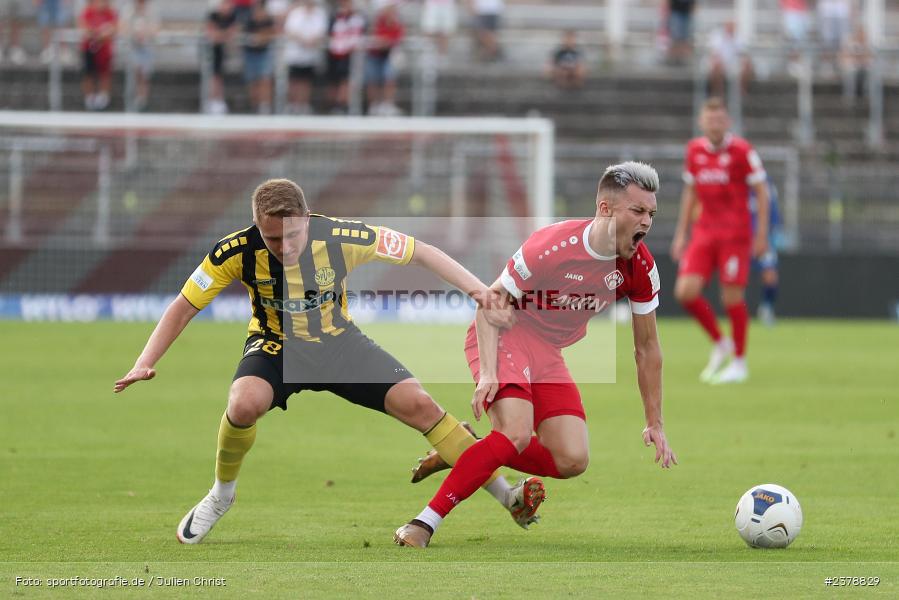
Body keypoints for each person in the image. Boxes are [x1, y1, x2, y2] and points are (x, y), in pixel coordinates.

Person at [113, 178, 540, 544]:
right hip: (276, 346)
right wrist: (143, 361)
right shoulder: (233, 252)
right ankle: (222, 494)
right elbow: (184, 305)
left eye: (292, 236)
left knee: (421, 405)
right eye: (272, 238)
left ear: (308, 217)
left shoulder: (343, 237)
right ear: (256, 227)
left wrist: (481, 293)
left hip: (340, 345)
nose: (283, 247)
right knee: (242, 404)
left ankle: (509, 498)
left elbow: (422, 252)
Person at [395, 162, 678, 548]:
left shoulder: (641, 266)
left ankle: (463, 446)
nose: (647, 222)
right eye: (638, 211)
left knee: (572, 459)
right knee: (513, 430)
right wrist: (488, 374)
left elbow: (647, 348)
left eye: (652, 214)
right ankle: (423, 523)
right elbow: (489, 305)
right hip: (504, 334)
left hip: (547, 352)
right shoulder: (552, 246)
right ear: (606, 209)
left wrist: (654, 421)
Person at [670, 97, 769, 385]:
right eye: (709, 119)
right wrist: (682, 232)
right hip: (704, 232)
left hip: (735, 235)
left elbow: (761, 191)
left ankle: (739, 362)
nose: (714, 123)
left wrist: (761, 233)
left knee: (731, 297)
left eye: (719, 118)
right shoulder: (694, 150)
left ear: (727, 122)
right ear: (702, 122)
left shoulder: (742, 151)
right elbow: (690, 193)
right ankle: (720, 341)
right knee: (685, 291)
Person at [283, 0, 328, 115]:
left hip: (310, 54)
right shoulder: (295, 13)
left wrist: (312, 41)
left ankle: (303, 105)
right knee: (294, 81)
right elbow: (289, 31)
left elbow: (322, 32)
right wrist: (303, 41)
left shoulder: (320, 14)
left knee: (306, 81)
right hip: (295, 54)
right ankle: (293, 104)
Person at [751, 176, 782, 327]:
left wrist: (769, 234)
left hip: (763, 239)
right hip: (740, 239)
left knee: (770, 276)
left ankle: (767, 307)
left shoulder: (766, 184)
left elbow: (774, 212)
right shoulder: (736, 182)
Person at [326, 0, 365, 114]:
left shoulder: (357, 18)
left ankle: (343, 105)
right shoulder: (335, 17)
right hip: (334, 53)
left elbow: (359, 34)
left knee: (345, 79)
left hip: (349, 54)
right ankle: (333, 104)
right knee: (333, 80)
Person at [365, 1, 404, 116]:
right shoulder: (377, 22)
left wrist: (383, 42)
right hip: (375, 54)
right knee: (372, 80)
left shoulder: (396, 24)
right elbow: (374, 38)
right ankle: (374, 105)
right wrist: (383, 42)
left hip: (389, 55)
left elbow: (394, 40)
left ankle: (388, 104)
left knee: (389, 79)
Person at [120, 0, 160, 112]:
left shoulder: (152, 9)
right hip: (132, 47)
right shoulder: (128, 9)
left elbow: (155, 28)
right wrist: (134, 35)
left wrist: (145, 34)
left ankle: (142, 100)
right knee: (134, 72)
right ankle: (131, 98)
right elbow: (123, 27)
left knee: (144, 74)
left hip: (146, 47)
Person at [79, 0, 118, 111]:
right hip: (89, 48)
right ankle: (89, 98)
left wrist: (102, 34)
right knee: (88, 74)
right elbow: (83, 27)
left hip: (105, 49)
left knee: (104, 74)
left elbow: (114, 28)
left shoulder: (110, 13)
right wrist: (96, 33)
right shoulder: (88, 11)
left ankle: (103, 98)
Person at [242, 0, 276, 114]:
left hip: (264, 53)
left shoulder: (268, 20)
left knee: (265, 80)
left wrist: (260, 37)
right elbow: (245, 34)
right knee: (252, 81)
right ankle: (255, 106)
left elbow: (269, 34)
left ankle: (265, 106)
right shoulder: (248, 19)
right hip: (250, 53)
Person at [205, 0, 239, 115]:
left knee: (219, 76)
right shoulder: (213, 16)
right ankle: (213, 100)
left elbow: (233, 33)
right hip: (211, 51)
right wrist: (225, 35)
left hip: (222, 50)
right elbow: (212, 35)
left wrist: (222, 36)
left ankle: (218, 100)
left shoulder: (232, 17)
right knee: (214, 76)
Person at [707, 20, 753, 98]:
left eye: (732, 27)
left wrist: (744, 61)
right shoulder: (717, 36)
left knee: (747, 66)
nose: (730, 29)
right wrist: (720, 62)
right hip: (720, 63)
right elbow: (714, 54)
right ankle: (718, 93)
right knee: (716, 66)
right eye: (729, 26)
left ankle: (741, 93)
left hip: (734, 64)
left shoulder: (739, 37)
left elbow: (743, 54)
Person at [666, 0, 694, 64]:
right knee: (676, 37)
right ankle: (674, 57)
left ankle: (682, 58)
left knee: (684, 38)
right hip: (676, 11)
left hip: (686, 12)